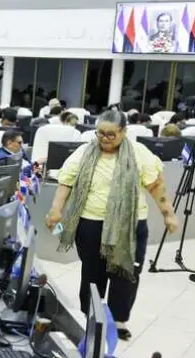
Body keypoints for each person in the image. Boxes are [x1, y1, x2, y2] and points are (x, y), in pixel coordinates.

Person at [46, 110, 179, 341]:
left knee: (126, 274)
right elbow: (66, 182)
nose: (105, 139)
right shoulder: (84, 152)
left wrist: (168, 214)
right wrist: (56, 210)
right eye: (100, 133)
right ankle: (91, 317)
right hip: (91, 224)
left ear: (124, 132)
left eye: (111, 134)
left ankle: (118, 320)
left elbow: (156, 186)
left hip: (129, 227)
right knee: (92, 274)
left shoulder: (139, 153)